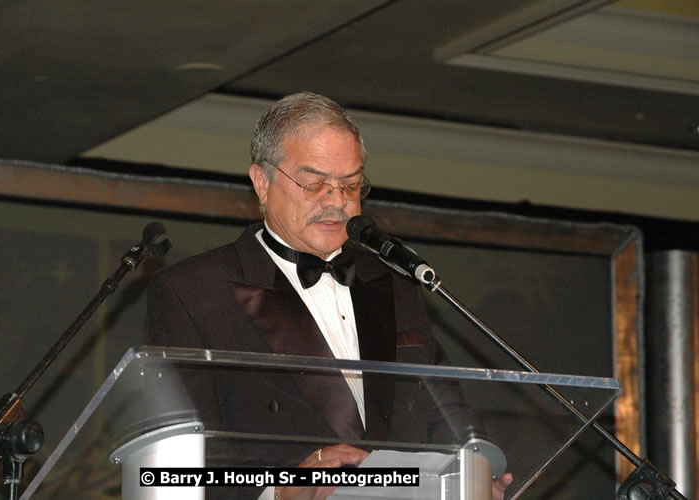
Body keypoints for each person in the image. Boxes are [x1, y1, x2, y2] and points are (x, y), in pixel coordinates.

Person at [146, 91, 512, 499]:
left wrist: (477, 470)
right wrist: (282, 492)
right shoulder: (194, 291)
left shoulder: (395, 283)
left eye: (351, 185)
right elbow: (175, 470)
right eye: (315, 184)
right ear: (261, 182)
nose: (336, 202)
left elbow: (447, 414)